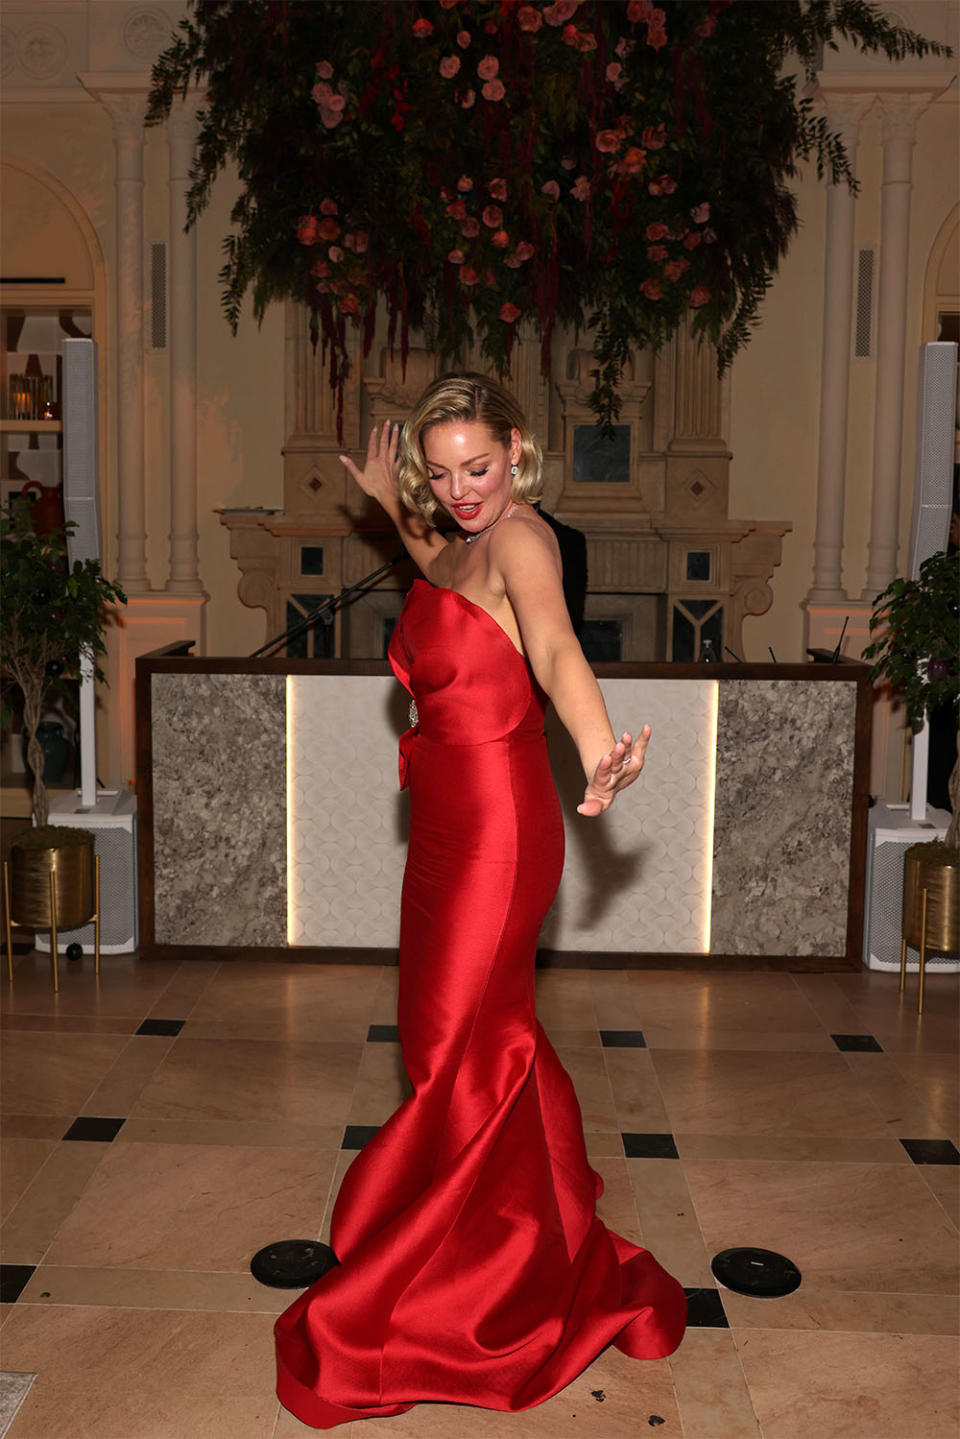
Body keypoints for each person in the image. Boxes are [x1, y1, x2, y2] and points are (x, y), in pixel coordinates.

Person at [274, 373, 686, 1430]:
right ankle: (525, 1221)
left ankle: (478, 1278)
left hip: (503, 829)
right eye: (444, 472)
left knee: (467, 1041)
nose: (464, 490)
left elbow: (552, 644)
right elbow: (432, 567)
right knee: (446, 1038)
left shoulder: (522, 541)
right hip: (444, 832)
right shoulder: (459, 542)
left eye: (482, 467)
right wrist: (384, 501)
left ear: (519, 451)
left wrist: (597, 747)